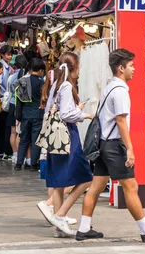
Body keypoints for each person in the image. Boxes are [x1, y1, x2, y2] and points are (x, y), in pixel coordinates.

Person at [77, 49, 145, 243]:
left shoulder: (108, 87)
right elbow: (121, 121)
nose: (134, 69)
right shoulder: (120, 92)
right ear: (121, 68)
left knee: (96, 187)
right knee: (131, 187)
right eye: (131, 66)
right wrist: (129, 148)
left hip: (103, 144)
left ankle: (84, 228)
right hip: (113, 146)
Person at [38, 52, 94, 238]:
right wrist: (85, 115)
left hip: (54, 138)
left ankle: (59, 225)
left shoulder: (56, 85)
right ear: (74, 68)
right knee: (86, 177)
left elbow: (51, 111)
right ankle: (61, 215)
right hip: (67, 136)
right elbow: (67, 115)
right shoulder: (67, 86)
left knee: (60, 181)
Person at [15, 57, 46, 171]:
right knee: (35, 140)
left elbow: (18, 100)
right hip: (38, 114)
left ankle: (18, 163)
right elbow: (44, 99)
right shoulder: (41, 83)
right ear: (40, 70)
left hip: (25, 114)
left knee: (23, 139)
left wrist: (18, 115)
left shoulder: (22, 82)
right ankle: (33, 163)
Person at [7, 54, 28, 165]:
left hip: (12, 104)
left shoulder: (11, 77)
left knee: (13, 132)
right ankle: (22, 155)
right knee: (21, 133)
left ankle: (14, 155)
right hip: (22, 106)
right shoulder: (26, 76)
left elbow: (9, 91)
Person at [0, 45, 14, 160]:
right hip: (2, 100)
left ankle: (2, 150)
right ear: (2, 54)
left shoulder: (8, 67)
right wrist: (1, 97)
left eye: (11, 54)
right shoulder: (1, 67)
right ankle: (0, 150)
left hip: (6, 99)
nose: (10, 56)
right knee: (2, 126)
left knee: (4, 126)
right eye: (8, 54)